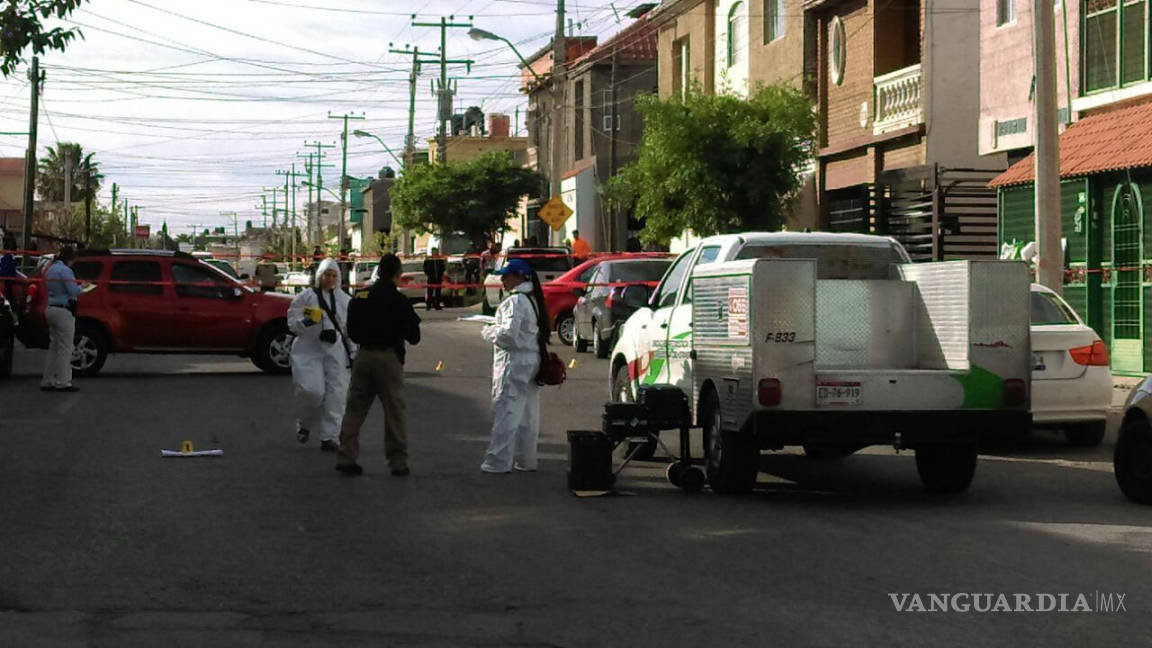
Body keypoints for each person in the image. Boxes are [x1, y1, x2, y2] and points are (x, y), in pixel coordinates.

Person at [337, 253, 422, 476]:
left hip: (363, 356)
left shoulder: (361, 296)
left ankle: (346, 455)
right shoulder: (399, 300)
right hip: (388, 358)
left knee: (355, 408)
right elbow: (414, 336)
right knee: (394, 411)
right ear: (397, 274)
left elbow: (352, 332)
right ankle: (397, 461)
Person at [480, 258, 549, 474]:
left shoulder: (515, 301)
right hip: (531, 359)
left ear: (519, 276)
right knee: (528, 414)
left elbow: (508, 335)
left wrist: (488, 331)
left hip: (515, 361)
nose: (502, 280)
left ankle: (498, 461)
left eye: (506, 275)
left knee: (507, 410)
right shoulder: (533, 299)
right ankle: (526, 459)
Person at [287, 258, 354, 452]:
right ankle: (305, 424)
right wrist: (308, 322)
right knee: (312, 391)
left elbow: (350, 329)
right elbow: (292, 323)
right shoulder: (305, 298)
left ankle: (330, 436)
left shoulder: (344, 300)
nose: (330, 279)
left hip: (335, 353)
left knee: (336, 394)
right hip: (309, 351)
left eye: (334, 275)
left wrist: (354, 351)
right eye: (327, 275)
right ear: (319, 276)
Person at [41, 246, 84, 392]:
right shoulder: (66, 271)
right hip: (63, 310)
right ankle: (63, 381)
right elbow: (72, 291)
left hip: (51, 308)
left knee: (54, 347)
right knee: (66, 347)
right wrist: (82, 287)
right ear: (70, 259)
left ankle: (47, 380)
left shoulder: (50, 269)